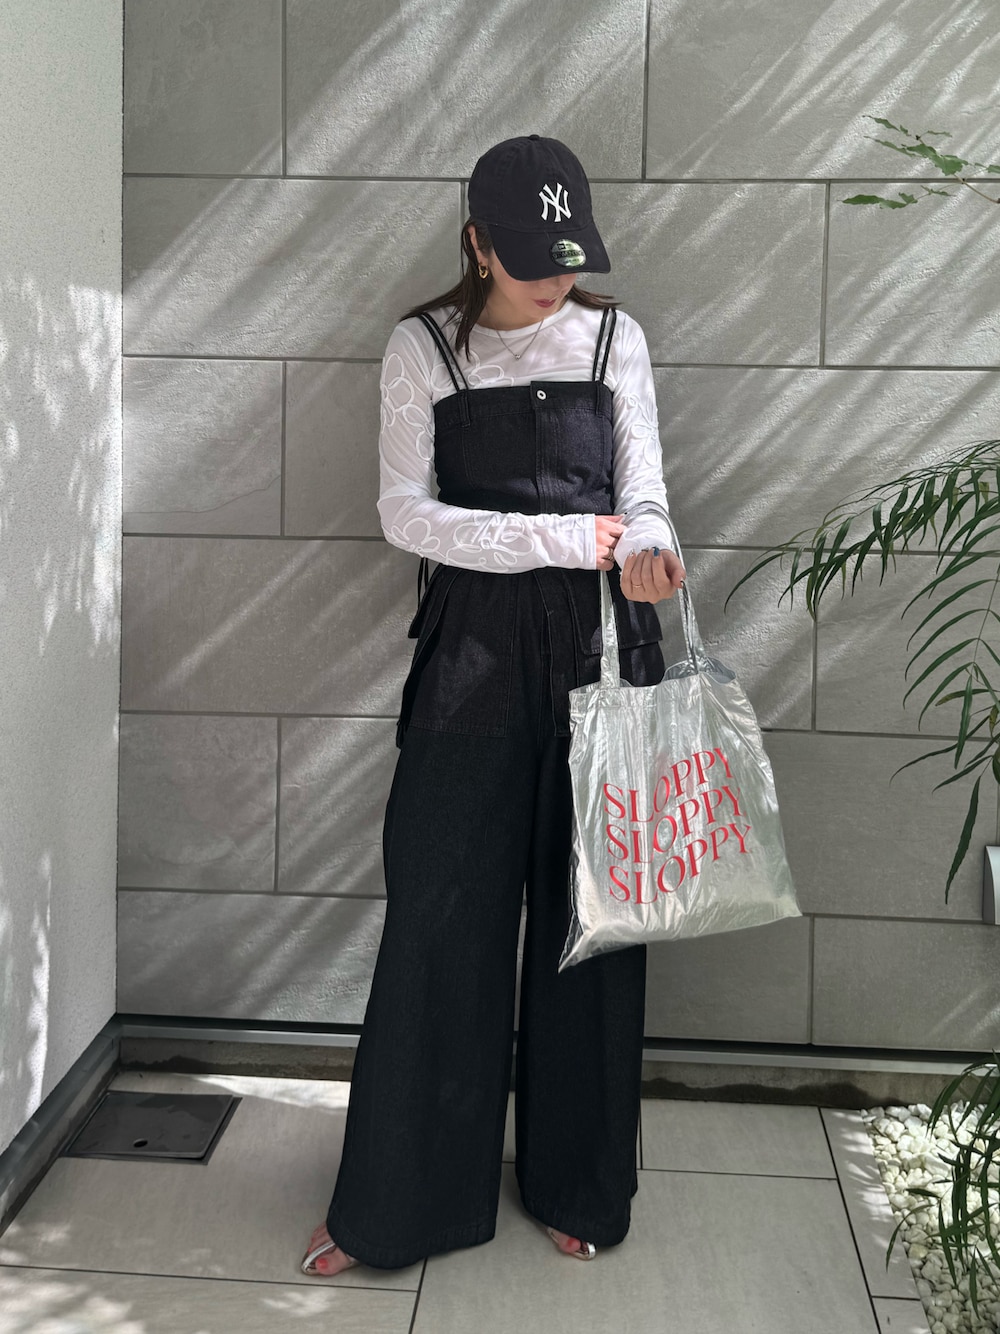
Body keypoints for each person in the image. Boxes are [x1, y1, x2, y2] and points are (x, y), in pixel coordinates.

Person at [300, 134, 685, 1277]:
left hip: (605, 648)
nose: (553, 277)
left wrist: (649, 542)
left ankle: (579, 1180)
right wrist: (561, 538)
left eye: (567, 255)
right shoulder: (423, 347)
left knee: (591, 919)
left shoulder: (614, 338)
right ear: (475, 242)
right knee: (440, 913)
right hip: (469, 654)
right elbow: (405, 515)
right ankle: (398, 1202)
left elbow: (645, 485)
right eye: (526, 257)